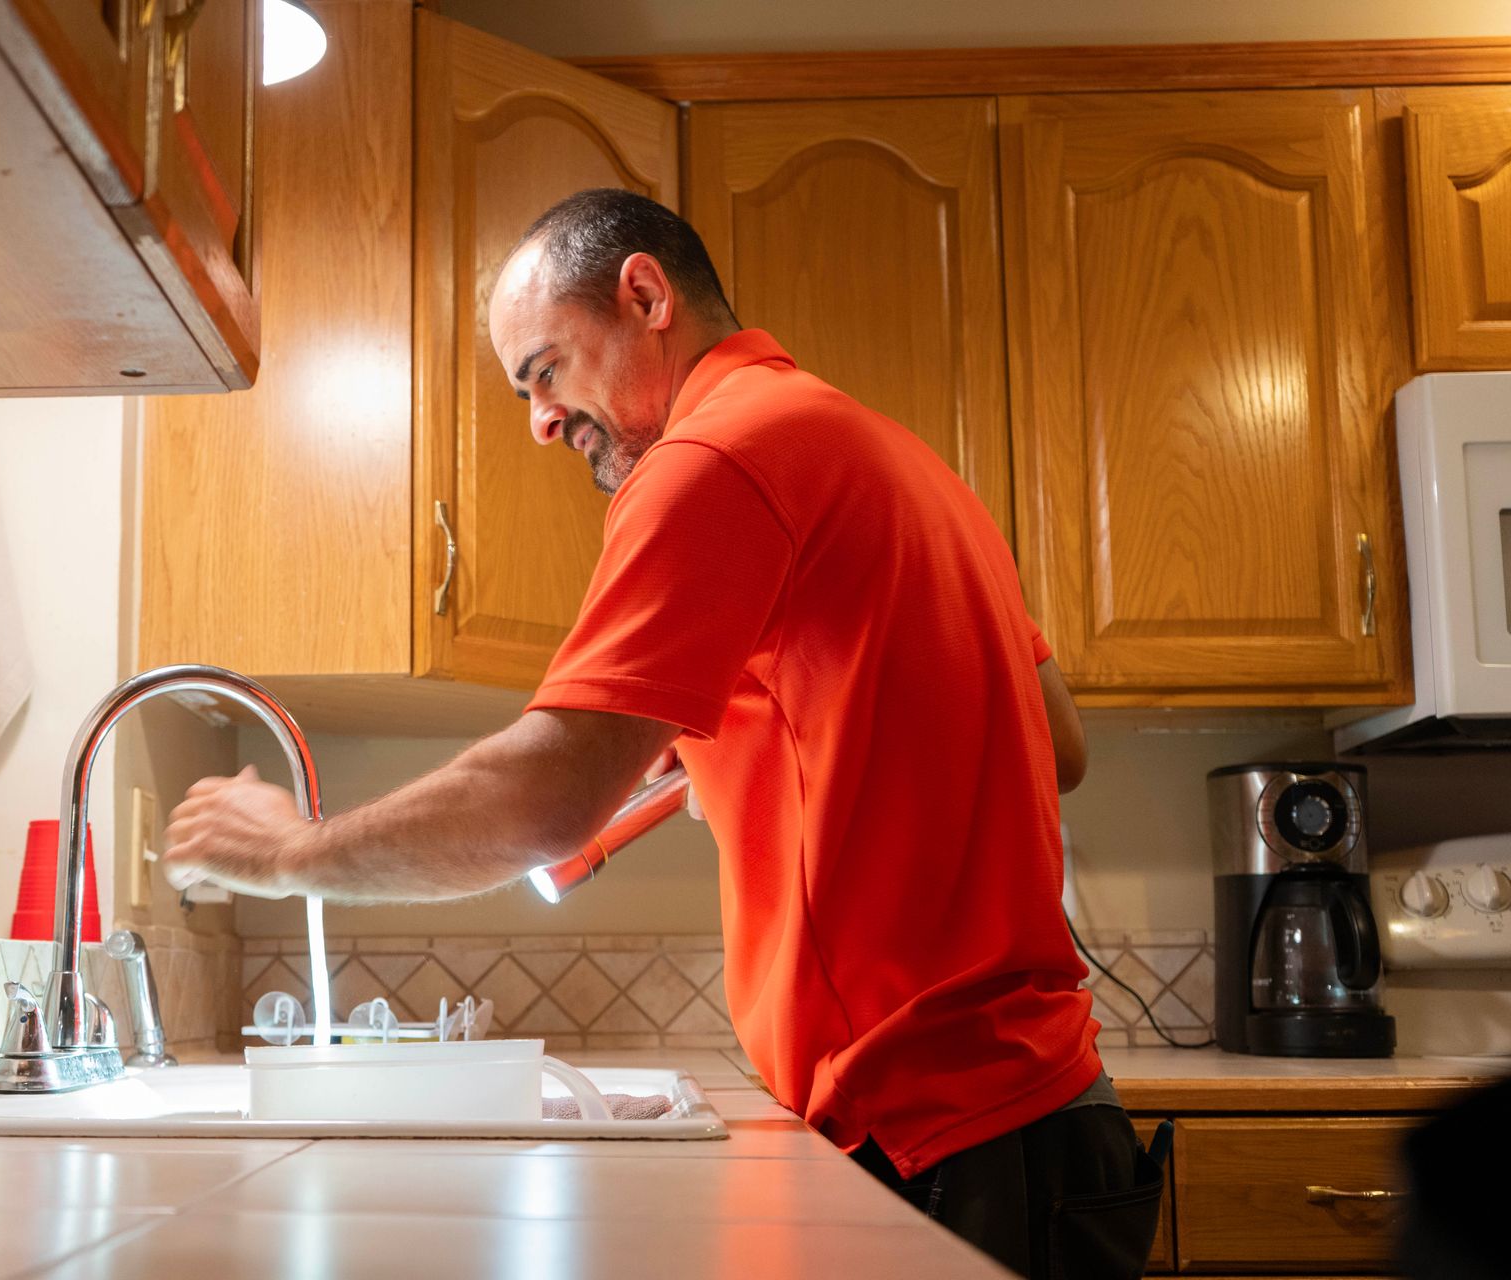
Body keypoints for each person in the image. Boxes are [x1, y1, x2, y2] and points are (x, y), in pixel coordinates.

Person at [163, 188, 1162, 1279]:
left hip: (942, 1136)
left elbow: (544, 799)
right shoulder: (902, 461)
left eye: (544, 370)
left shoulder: (712, 458)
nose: (540, 419)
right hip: (1056, 1122)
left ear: (643, 294)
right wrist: (748, 743)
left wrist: (287, 849)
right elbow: (1053, 744)